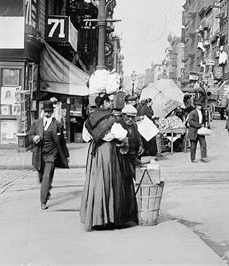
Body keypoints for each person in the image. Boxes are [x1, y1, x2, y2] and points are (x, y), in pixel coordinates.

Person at [80, 94, 138, 230]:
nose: (110, 104)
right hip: (107, 152)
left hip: (94, 153)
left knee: (95, 182)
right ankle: (108, 218)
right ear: (104, 103)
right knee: (109, 182)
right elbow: (121, 134)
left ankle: (96, 217)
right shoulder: (110, 118)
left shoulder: (90, 118)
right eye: (109, 102)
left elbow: (85, 137)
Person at [28, 100, 69, 210]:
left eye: (49, 112)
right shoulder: (36, 123)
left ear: (52, 112)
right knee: (42, 178)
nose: (47, 114)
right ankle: (46, 189)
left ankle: (43, 201)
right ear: (43, 111)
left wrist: (66, 155)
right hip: (39, 154)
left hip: (52, 154)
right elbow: (29, 135)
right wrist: (33, 138)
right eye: (45, 111)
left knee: (46, 176)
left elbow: (62, 142)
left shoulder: (58, 124)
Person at [121, 104, 144, 177]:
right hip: (124, 157)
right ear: (123, 115)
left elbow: (138, 137)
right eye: (128, 116)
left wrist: (141, 146)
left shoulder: (134, 125)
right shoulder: (120, 126)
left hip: (134, 155)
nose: (130, 119)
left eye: (132, 117)